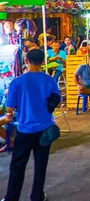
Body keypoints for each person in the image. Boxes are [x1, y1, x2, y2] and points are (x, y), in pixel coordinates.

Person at [4, 49, 61, 201]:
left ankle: (11, 198)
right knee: (40, 165)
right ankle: (37, 196)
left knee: (17, 165)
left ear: (26, 61)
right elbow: (57, 99)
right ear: (42, 62)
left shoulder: (17, 82)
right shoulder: (50, 80)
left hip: (24, 130)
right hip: (45, 129)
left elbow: (9, 108)